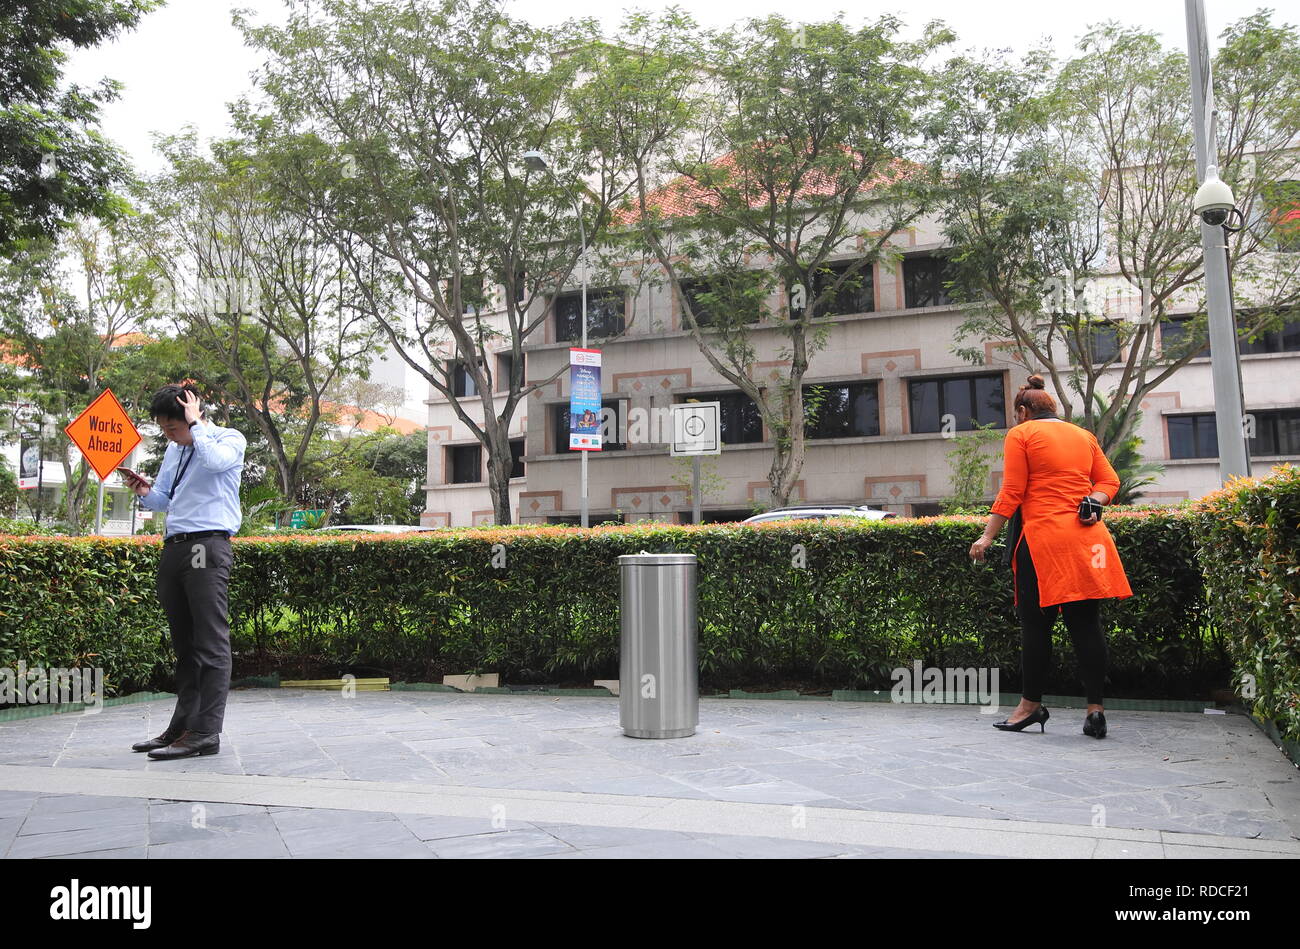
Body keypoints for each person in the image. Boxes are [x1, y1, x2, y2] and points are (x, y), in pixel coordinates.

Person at [968, 375, 1132, 739]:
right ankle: (1095, 710)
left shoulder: (1021, 435)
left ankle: (1030, 706)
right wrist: (1094, 501)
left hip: (1043, 542)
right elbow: (1109, 482)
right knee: (1087, 625)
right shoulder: (1083, 435)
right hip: (1088, 542)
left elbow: (1012, 490)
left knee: (1037, 627)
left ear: (1023, 411)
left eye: (1017, 414)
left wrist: (987, 535)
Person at [121, 383, 246, 759]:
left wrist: (197, 426)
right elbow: (164, 499)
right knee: (185, 645)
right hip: (176, 546)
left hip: (206, 545)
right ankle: (181, 728)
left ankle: (205, 732)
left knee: (210, 642)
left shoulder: (228, 439)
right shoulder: (175, 451)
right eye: (163, 429)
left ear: (193, 416)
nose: (169, 436)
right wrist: (144, 491)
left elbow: (214, 463)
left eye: (173, 428)